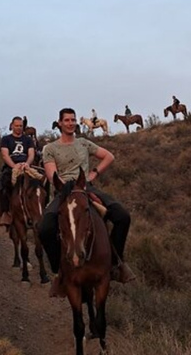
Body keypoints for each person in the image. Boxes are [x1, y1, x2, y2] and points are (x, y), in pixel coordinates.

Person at [39, 108, 134, 297]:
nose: (71, 123)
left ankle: (116, 263)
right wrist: (64, 184)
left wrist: (93, 174)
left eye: (73, 120)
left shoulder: (84, 143)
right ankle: (59, 272)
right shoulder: (50, 149)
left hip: (86, 188)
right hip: (64, 191)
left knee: (122, 216)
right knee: (45, 228)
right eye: (67, 120)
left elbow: (109, 156)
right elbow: (51, 174)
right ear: (59, 123)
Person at [0, 116, 35, 227]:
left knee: (40, 185)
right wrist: (14, 166)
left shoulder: (28, 140)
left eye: (20, 126)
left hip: (26, 166)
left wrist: (27, 164)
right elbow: (5, 155)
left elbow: (31, 154)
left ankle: (39, 211)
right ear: (12, 126)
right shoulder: (6, 139)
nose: (18, 128)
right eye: (16, 126)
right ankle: (6, 212)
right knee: (3, 185)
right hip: (11, 167)